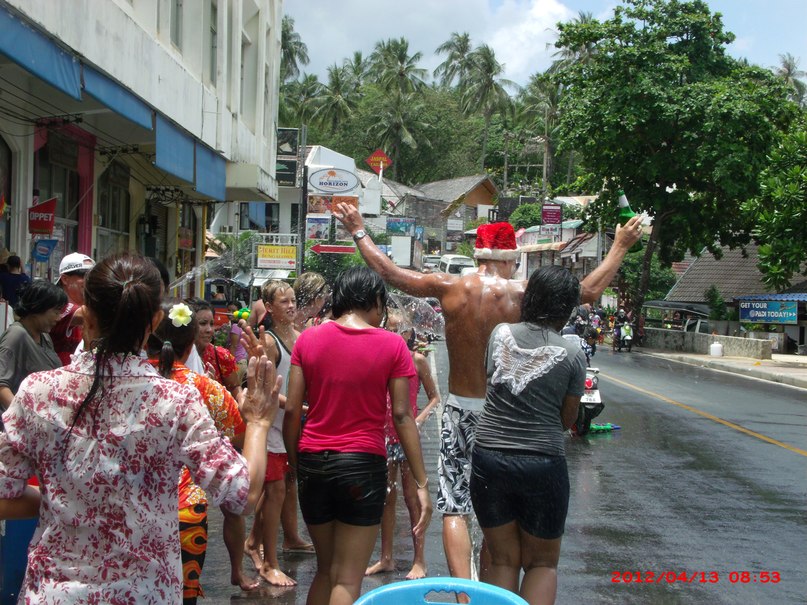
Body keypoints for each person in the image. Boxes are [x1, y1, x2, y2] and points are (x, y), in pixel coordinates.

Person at [335, 204, 642, 580]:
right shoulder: (526, 293)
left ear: (478, 255)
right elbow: (590, 290)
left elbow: (390, 273)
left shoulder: (449, 286)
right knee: (493, 515)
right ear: (510, 259)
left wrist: (359, 230)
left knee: (454, 507)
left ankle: (465, 594)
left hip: (459, 409)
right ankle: (488, 592)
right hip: (504, 417)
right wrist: (621, 245)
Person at [0, 252, 279, 604]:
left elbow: (3, 495)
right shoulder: (176, 401)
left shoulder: (37, 393)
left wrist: (66, 502)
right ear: (156, 320)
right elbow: (242, 496)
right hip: (146, 593)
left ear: (85, 313)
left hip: (54, 594)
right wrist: (258, 423)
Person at [283, 267, 432, 605]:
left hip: (313, 462)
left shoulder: (308, 338)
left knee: (325, 570)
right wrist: (422, 484)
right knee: (348, 579)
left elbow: (293, 410)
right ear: (374, 300)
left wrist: (297, 464)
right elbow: (402, 415)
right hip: (362, 466)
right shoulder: (393, 345)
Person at [471, 266, 586, 605]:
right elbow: (567, 420)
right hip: (542, 463)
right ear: (567, 308)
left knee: (503, 558)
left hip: (489, 456)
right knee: (542, 564)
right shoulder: (573, 354)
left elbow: (490, 380)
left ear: (531, 298)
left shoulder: (500, 333)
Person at [146, 298, 259, 602]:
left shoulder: (120, 380)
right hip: (186, 512)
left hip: (129, 511)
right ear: (190, 341)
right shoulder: (204, 388)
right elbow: (239, 437)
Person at [366, 310, 440, 580]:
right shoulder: (380, 359)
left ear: (410, 334)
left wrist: (418, 418)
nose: (396, 335)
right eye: (391, 329)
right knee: (386, 498)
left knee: (412, 499)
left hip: (405, 437)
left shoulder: (417, 361)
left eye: (401, 330)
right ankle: (386, 557)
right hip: (383, 436)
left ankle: (419, 559)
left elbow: (434, 397)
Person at [244, 280, 308, 586]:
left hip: (291, 426)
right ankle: (270, 562)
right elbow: (259, 386)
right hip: (269, 426)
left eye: (293, 300)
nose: (291, 306)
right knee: (277, 489)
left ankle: (253, 541)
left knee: (276, 489)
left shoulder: (301, 336)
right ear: (268, 308)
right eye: (283, 302)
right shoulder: (267, 342)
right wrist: (297, 404)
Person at [0, 280, 66, 409]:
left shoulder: (45, 336)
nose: (58, 318)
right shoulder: (16, 335)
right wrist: (22, 415)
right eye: (56, 312)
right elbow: (1, 385)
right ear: (38, 308)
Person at [189, 297, 241, 399]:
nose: (210, 330)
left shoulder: (221, 356)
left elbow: (235, 387)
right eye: (203, 323)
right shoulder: (174, 356)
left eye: (212, 324)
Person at [50, 252, 95, 365]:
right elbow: (98, 313)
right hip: (56, 379)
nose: (91, 281)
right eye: (84, 275)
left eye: (93, 276)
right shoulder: (56, 305)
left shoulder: (84, 308)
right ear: (65, 279)